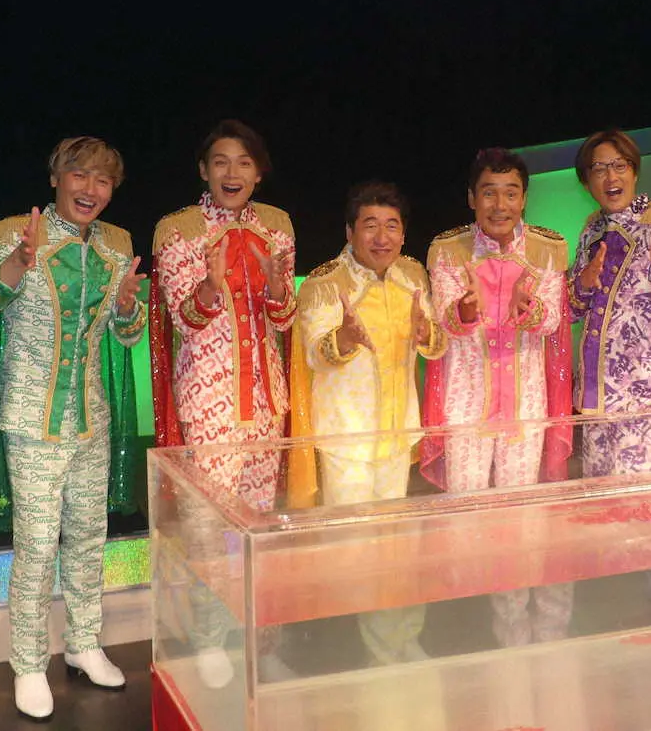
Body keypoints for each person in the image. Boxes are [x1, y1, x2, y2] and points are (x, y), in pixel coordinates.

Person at [0, 137, 146, 719]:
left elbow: (126, 334)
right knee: (39, 543)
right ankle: (28, 663)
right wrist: (19, 261)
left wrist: (128, 307)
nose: (90, 189)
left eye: (103, 180)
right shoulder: (20, 235)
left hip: (90, 418)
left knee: (90, 537)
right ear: (56, 178)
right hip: (32, 419)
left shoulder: (115, 250)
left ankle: (83, 644)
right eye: (80, 175)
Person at [148, 119, 296, 686]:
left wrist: (278, 291)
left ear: (259, 172)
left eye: (244, 162)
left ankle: (259, 640)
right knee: (207, 527)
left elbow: (284, 317)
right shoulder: (179, 229)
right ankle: (210, 640)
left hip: (267, 399)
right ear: (203, 170)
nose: (232, 172)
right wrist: (210, 288)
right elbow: (183, 319)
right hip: (209, 397)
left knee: (259, 528)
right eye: (220, 162)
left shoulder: (277, 226)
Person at [423, 147, 573, 647]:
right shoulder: (449, 251)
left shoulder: (547, 249)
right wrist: (465, 311)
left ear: (524, 199)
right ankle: (471, 629)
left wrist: (529, 309)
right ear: (472, 198)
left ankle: (516, 631)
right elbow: (445, 322)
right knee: (466, 518)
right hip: (466, 405)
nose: (500, 205)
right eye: (489, 193)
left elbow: (551, 321)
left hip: (525, 408)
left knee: (519, 522)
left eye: (511, 194)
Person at [291, 181, 446, 664]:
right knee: (354, 552)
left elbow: (435, 344)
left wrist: (428, 332)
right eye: (370, 225)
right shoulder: (324, 283)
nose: (382, 237)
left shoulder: (412, 274)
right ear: (350, 231)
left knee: (397, 548)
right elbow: (314, 355)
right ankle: (363, 648)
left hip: (396, 435)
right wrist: (344, 338)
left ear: (403, 233)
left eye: (391, 226)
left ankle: (400, 636)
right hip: (348, 440)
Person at [567, 129, 651, 476]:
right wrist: (583, 284)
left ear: (634, 172)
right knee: (597, 490)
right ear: (587, 183)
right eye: (599, 169)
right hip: (596, 390)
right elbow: (572, 310)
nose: (611, 177)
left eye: (619, 166)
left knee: (638, 494)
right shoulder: (591, 231)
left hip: (644, 391)